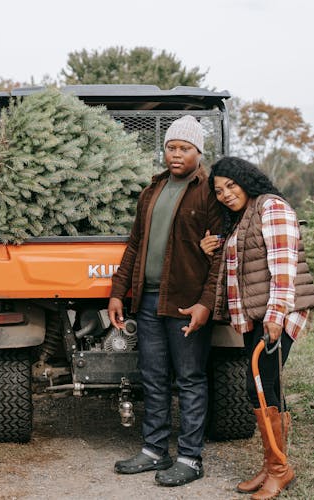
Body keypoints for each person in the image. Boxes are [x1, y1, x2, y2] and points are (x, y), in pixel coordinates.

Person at [108, 114, 224, 487]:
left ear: (198, 152)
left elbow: (219, 255)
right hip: (148, 302)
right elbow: (135, 246)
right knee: (153, 378)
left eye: (185, 149)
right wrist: (117, 292)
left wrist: (206, 303)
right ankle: (154, 450)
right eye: (171, 147)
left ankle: (190, 458)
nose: (176, 154)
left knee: (190, 379)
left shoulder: (209, 193)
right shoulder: (152, 191)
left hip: (186, 305)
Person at [198, 156, 314, 500]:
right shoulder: (243, 218)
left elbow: (283, 267)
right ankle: (272, 465)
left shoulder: (272, 207)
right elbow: (244, 268)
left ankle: (280, 470)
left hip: (276, 315)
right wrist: (214, 250)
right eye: (218, 190)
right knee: (260, 391)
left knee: (265, 388)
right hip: (258, 316)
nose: (224, 194)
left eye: (230, 186)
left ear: (246, 181)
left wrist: (276, 315)